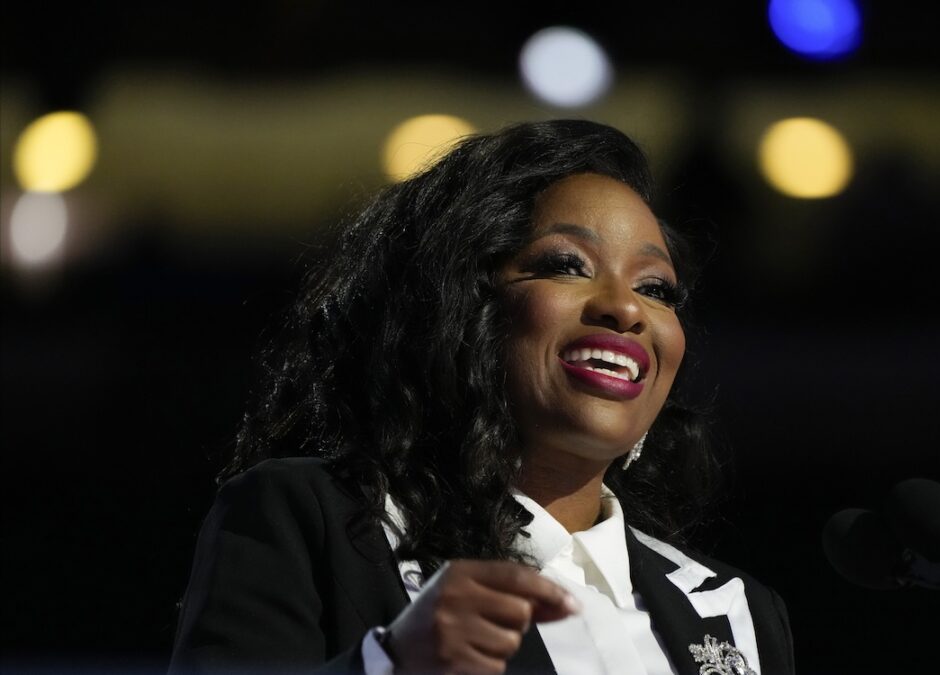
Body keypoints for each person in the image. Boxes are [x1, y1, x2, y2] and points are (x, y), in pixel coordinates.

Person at [169, 119, 795, 674]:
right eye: (567, 265)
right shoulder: (314, 521)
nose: (626, 307)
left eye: (657, 287)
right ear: (457, 307)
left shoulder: (737, 614)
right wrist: (391, 666)